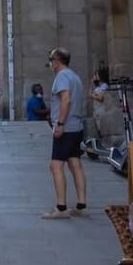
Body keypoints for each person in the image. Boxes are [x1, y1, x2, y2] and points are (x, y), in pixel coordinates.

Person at [42, 47, 90, 219]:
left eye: (51, 60)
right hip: (76, 126)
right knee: (75, 163)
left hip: (66, 127)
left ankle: (61, 207)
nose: (50, 64)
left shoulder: (62, 77)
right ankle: (81, 205)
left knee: (55, 166)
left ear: (56, 61)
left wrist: (60, 123)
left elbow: (66, 99)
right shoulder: (75, 77)